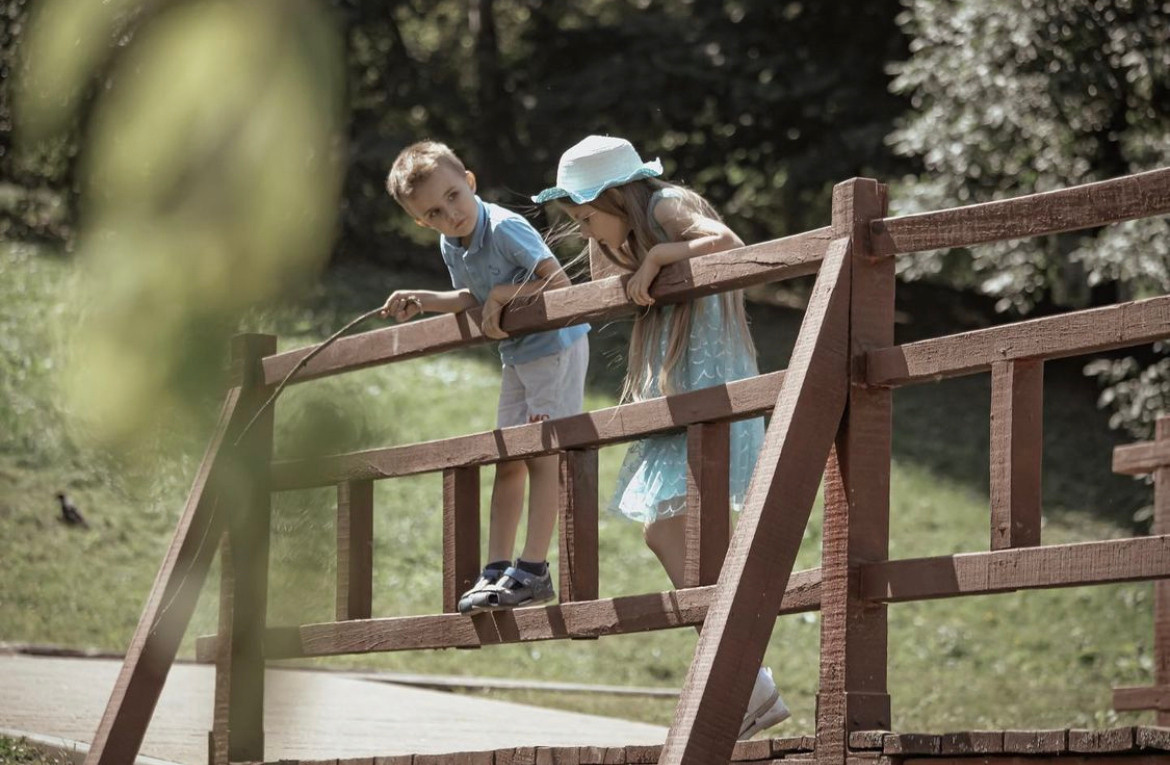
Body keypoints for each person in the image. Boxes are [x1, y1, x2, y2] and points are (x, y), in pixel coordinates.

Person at [532, 135, 788, 739]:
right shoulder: (624, 230)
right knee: (673, 530)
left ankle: (746, 679)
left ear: (618, 195)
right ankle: (747, 681)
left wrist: (654, 257)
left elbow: (727, 241)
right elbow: (607, 292)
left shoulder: (666, 205)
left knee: (672, 530)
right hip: (677, 387)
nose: (583, 228)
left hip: (710, 381)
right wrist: (614, 246)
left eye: (587, 215)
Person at [383, 140, 589, 614]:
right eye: (434, 211)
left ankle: (533, 569)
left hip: (555, 348)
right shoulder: (450, 242)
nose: (450, 214)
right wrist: (424, 299)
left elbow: (559, 284)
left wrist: (500, 293)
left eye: (454, 196)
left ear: (470, 182)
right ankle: (497, 569)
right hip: (517, 355)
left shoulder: (505, 227)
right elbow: (469, 297)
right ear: (421, 221)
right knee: (508, 457)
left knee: (540, 454)